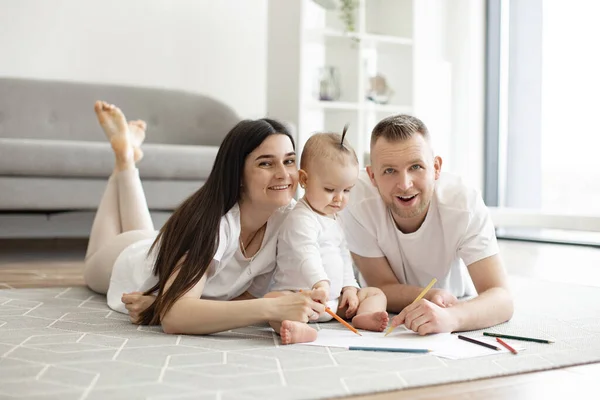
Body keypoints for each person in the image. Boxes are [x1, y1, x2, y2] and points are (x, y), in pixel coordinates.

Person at [83, 101, 325, 334]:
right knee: (90, 266)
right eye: (266, 164)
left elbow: (238, 300)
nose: (284, 174)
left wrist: (161, 304)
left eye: (289, 161)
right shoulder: (215, 225)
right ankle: (123, 161)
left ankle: (127, 157)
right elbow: (175, 318)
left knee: (152, 240)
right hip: (128, 260)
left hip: (159, 247)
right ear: (238, 174)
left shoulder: (289, 219)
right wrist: (270, 307)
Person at [338, 114, 514, 335]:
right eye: (390, 171)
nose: (404, 184)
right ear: (372, 176)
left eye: (416, 167)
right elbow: (381, 285)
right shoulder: (355, 198)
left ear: (436, 168)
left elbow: (502, 297)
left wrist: (452, 318)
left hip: (452, 301)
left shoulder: (463, 203)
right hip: (381, 308)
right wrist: (429, 296)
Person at [266, 130, 388, 345]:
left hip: (332, 302)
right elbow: (306, 253)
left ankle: (364, 316)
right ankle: (298, 329)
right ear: (304, 179)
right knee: (272, 302)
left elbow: (343, 255)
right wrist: (320, 283)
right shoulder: (300, 217)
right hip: (300, 297)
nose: (339, 199)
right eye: (330, 189)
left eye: (347, 190)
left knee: (376, 293)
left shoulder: (335, 218)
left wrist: (350, 287)